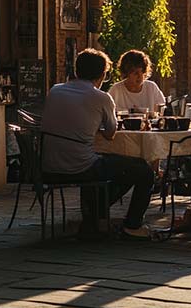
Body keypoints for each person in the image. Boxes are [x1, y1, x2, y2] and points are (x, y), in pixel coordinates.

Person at [41, 49, 154, 239]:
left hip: (48, 165)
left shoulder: (55, 90)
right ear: (102, 74)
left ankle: (93, 216)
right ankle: (132, 225)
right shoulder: (101, 97)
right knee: (142, 170)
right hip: (81, 165)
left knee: (112, 164)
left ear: (77, 71)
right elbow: (110, 134)